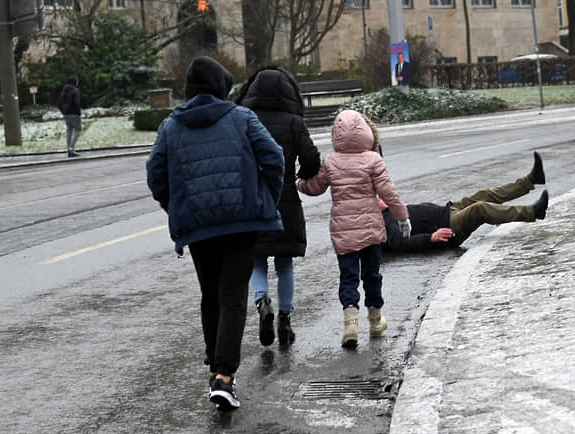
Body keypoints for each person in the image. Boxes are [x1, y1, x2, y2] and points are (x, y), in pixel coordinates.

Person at [146, 56, 285, 411]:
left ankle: (216, 369)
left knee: (210, 295)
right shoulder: (241, 118)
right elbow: (274, 158)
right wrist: (264, 197)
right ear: (221, 86)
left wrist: (177, 206)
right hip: (242, 222)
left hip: (199, 227)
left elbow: (156, 176)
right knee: (233, 297)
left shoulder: (170, 126)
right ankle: (223, 376)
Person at [297, 110, 410, 348]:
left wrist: (299, 184)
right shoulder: (373, 160)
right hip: (371, 230)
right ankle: (376, 321)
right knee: (372, 275)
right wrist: (402, 217)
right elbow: (388, 192)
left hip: (343, 231)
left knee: (348, 277)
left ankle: (350, 324)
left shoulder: (330, 161)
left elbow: (315, 188)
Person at [234, 66, 321, 347]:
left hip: (252, 201)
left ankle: (262, 303)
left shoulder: (244, 120)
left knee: (255, 259)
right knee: (284, 264)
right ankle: (285, 318)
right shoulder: (294, 122)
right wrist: (300, 177)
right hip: (285, 201)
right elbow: (311, 159)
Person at [381, 152, 549, 253]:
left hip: (449, 210)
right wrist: (430, 238)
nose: (381, 197)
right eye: (377, 198)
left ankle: (531, 180)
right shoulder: (384, 222)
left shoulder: (391, 210)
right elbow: (400, 243)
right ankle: (533, 212)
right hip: (449, 227)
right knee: (480, 209)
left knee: (484, 194)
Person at [58, 76, 82, 157]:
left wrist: (64, 111)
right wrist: (79, 112)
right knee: (78, 130)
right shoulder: (75, 90)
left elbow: (59, 103)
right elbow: (77, 102)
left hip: (66, 114)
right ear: (75, 82)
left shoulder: (64, 90)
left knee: (69, 131)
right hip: (74, 113)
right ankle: (71, 148)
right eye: (77, 81)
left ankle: (69, 149)